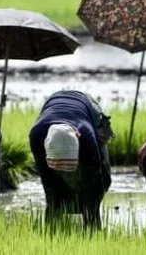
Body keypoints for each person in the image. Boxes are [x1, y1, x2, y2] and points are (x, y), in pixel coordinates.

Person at [29, 90, 113, 229]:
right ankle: (52, 230)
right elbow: (46, 178)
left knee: (99, 182)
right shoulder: (37, 135)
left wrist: (90, 206)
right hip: (53, 103)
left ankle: (93, 230)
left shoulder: (87, 137)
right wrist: (54, 199)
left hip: (87, 105)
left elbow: (96, 177)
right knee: (52, 196)